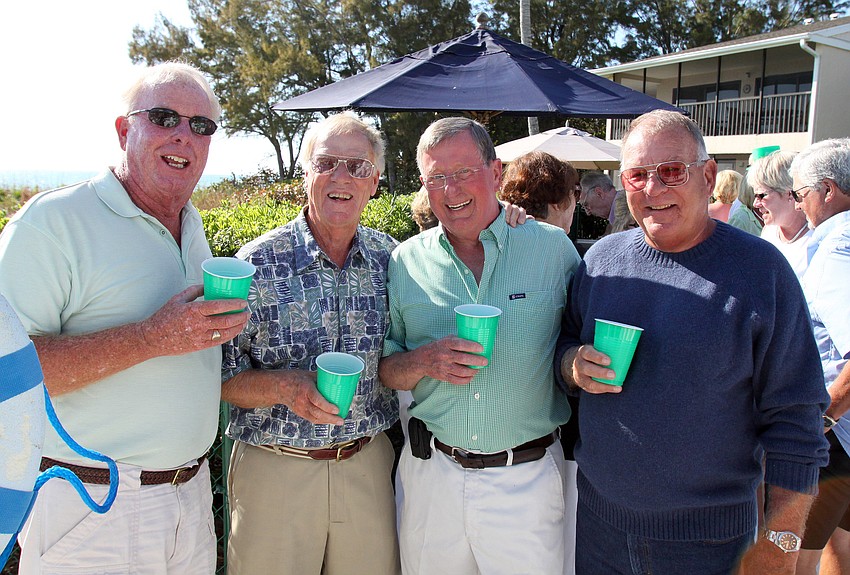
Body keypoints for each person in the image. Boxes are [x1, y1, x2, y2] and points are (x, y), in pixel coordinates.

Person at [0, 62, 248, 574]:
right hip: (95, 505)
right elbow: (10, 375)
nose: (184, 134)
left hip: (191, 499)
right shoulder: (52, 223)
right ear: (123, 130)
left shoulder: (191, 224)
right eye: (164, 117)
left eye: (201, 126)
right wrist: (151, 338)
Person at [557, 109, 829, 575]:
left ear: (707, 176)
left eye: (670, 172)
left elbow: (796, 423)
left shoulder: (761, 273)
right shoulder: (601, 261)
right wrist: (571, 365)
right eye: (637, 175)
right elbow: (563, 345)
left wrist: (781, 546)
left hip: (713, 545)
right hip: (600, 531)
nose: (652, 189)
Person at [379, 117, 581, 574]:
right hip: (433, 477)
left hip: (525, 482)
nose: (450, 190)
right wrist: (424, 361)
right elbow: (386, 369)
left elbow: (575, 345)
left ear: (496, 173)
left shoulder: (552, 251)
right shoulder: (405, 262)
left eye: (463, 171)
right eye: (436, 177)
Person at [220, 112, 401, 575]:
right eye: (327, 163)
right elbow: (219, 377)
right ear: (306, 174)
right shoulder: (256, 264)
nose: (341, 177)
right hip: (274, 469)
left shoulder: (392, 260)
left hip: (366, 464)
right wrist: (286, 387)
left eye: (357, 167)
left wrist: (512, 217)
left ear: (375, 182)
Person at [499, 149, 581, 574]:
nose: (576, 205)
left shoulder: (499, 237)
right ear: (556, 200)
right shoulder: (559, 249)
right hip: (548, 443)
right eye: (574, 194)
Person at [789, 138, 850, 575]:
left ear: (826, 190)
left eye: (798, 193)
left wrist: (823, 418)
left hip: (835, 436)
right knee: (838, 551)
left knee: (791, 562)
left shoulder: (836, 247)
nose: (797, 204)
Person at [749, 150, 812, 280]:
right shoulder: (769, 232)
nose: (756, 204)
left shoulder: (817, 239)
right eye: (755, 196)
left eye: (762, 195)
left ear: (790, 194)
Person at [499, 150, 579, 233]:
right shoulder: (559, 240)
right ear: (559, 202)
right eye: (576, 193)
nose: (577, 201)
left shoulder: (500, 230)